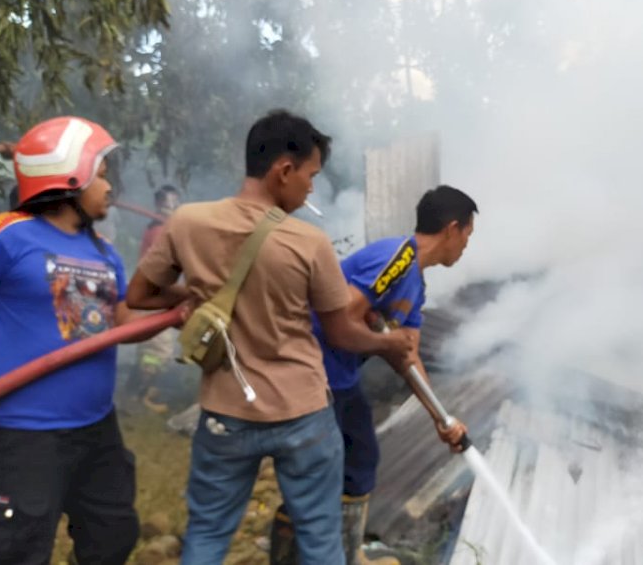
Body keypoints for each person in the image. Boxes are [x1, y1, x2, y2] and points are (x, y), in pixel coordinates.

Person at [126, 109, 419, 564]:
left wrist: (197, 297)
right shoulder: (308, 241)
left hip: (225, 414)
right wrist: (388, 344)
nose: (311, 188)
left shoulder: (187, 223)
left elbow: (140, 295)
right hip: (301, 415)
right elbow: (341, 333)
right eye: (310, 174)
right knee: (321, 542)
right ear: (284, 170)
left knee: (205, 537)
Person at [0, 116, 157, 565]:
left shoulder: (103, 250)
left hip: (97, 430)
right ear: (71, 176)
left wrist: (183, 303)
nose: (110, 188)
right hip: (23, 440)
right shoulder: (5, 234)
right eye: (102, 175)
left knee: (112, 536)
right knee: (17, 551)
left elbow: (122, 318)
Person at [271, 185, 477, 565]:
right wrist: (388, 342)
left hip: (340, 379)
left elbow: (407, 355)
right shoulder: (397, 258)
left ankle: (344, 553)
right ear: (452, 228)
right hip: (314, 375)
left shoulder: (415, 284)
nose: (466, 245)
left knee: (358, 459)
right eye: (467, 234)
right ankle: (302, 556)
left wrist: (441, 419)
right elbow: (345, 315)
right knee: (329, 472)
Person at [125, 184, 183, 412]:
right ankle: (141, 397)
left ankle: (133, 394)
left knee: (150, 350)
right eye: (168, 204)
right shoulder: (159, 231)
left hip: (155, 297)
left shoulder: (163, 228)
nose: (172, 208)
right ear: (159, 205)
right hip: (153, 299)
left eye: (176, 204)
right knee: (158, 352)